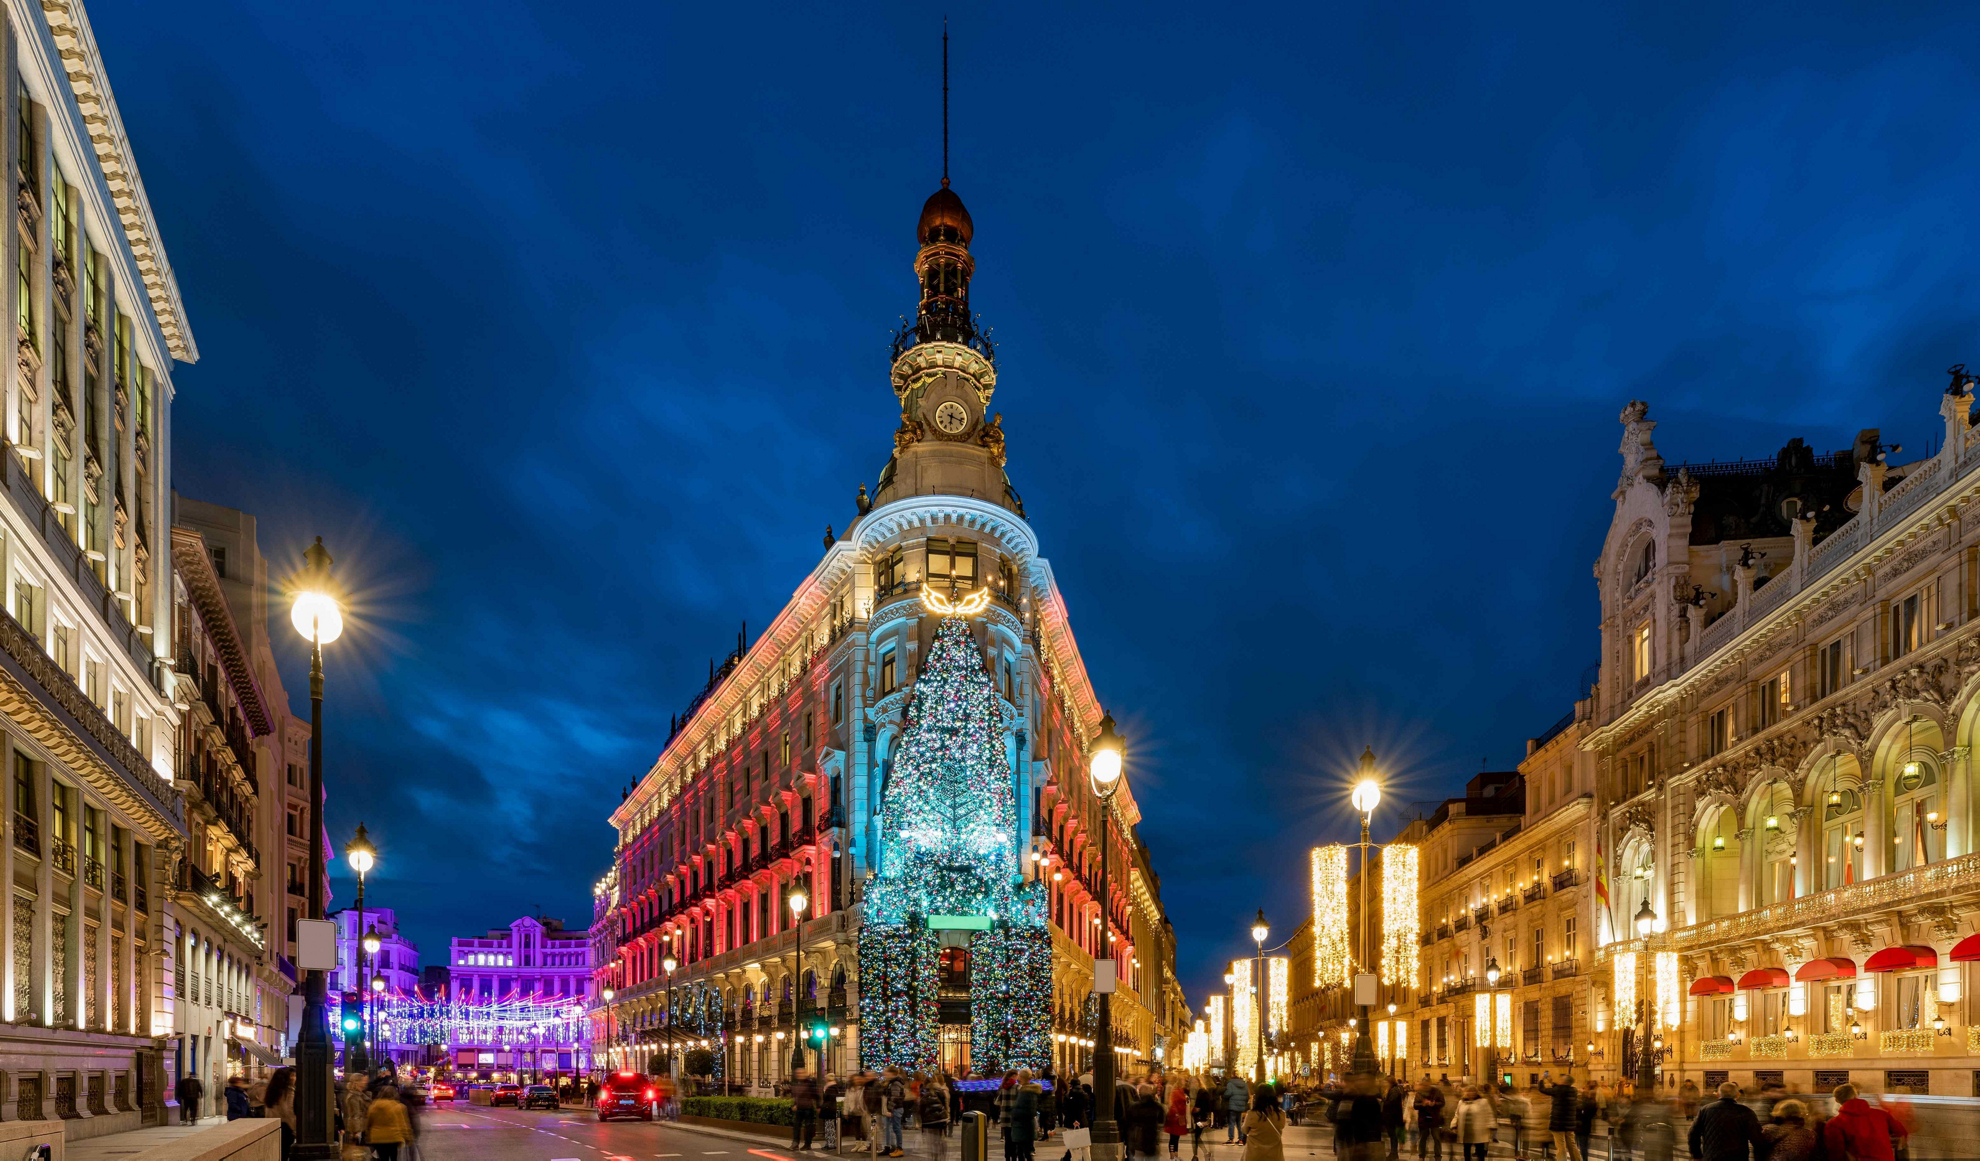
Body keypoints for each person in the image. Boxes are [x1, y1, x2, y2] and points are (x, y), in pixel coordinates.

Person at [1823, 1084, 1906, 1161]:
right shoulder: (1881, 1114)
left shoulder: (1835, 1124)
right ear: (1856, 1096)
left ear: (1837, 1100)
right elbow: (1901, 1132)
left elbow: (1836, 1154)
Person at [1687, 1083, 1766, 1161]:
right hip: (1738, 1157)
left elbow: (1693, 1134)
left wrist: (1696, 1155)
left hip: (1711, 1157)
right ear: (1738, 1095)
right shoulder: (1746, 1111)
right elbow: (1756, 1138)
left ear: (1718, 1095)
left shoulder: (1705, 1110)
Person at [1540, 1074, 1583, 1161]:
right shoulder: (1573, 1091)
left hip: (1558, 1122)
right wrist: (1552, 1082)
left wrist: (1541, 1080)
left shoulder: (1558, 1090)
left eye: (1561, 1079)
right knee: (1572, 1144)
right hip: (1570, 1122)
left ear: (1563, 1081)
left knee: (1561, 1145)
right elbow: (1560, 1089)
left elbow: (1543, 1090)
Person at [366, 1086, 411, 1161]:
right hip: (393, 1137)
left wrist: (368, 1135)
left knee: (383, 1158)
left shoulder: (373, 1106)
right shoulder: (399, 1107)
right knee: (393, 1157)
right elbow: (403, 1123)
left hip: (378, 1138)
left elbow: (369, 1123)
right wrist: (407, 1137)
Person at [1242, 1086, 1287, 1161]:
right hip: (1275, 1155)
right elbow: (1281, 1126)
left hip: (1254, 1154)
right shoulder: (1281, 1114)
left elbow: (1244, 1130)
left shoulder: (1252, 1114)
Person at [1125, 1084, 1166, 1161]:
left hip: (1138, 1141)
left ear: (1139, 1094)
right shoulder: (1157, 1107)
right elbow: (1161, 1122)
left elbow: (1128, 1123)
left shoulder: (1134, 1107)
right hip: (1152, 1140)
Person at [1454, 1087, 1496, 1161]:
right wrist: (1454, 1125)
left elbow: (1489, 1114)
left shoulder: (1483, 1102)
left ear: (1476, 1092)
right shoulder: (1461, 1102)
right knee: (1466, 1149)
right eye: (1468, 1091)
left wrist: (1491, 1125)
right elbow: (1457, 1115)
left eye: (1473, 1091)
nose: (1470, 1093)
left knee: (1480, 1150)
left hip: (1479, 1130)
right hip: (1465, 1131)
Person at [1014, 1072, 1046, 1161]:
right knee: (1024, 1150)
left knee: (1024, 1151)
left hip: (1023, 1123)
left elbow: (1023, 1108)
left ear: (1022, 1077)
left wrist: (1015, 1115)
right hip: (1025, 1123)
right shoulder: (1027, 1090)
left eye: (1019, 1075)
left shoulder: (1026, 1091)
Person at [790, 1067, 822, 1152]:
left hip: (808, 1108)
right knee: (796, 1126)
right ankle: (795, 1142)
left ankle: (807, 1144)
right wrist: (795, 1104)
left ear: (805, 1074)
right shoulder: (797, 1083)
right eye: (798, 1074)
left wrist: (818, 1106)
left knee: (808, 1127)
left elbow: (816, 1095)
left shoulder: (810, 1083)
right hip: (799, 1108)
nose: (799, 1075)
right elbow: (796, 1096)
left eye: (801, 1073)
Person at [1415, 1082, 1447, 1161]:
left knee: (1436, 1138)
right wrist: (1422, 1104)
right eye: (1424, 1085)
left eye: (1427, 1084)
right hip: (1423, 1119)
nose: (1425, 1086)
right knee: (1423, 1138)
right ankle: (1421, 1156)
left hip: (1435, 1118)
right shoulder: (1419, 1093)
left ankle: (1438, 1156)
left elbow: (1442, 1103)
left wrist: (1434, 1104)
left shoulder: (1437, 1092)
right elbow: (1415, 1105)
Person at [920, 1073, 951, 1151]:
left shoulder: (924, 1093)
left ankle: (934, 1153)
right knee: (940, 1136)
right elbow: (945, 1104)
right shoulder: (941, 1091)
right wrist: (947, 1114)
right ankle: (940, 1149)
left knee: (932, 1139)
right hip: (941, 1118)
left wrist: (922, 1123)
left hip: (930, 1120)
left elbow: (922, 1109)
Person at [1384, 1079, 1408, 1161]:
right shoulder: (1393, 1090)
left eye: (1386, 1082)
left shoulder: (1394, 1091)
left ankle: (1394, 1153)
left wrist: (1382, 1101)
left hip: (1393, 1117)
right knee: (1392, 1136)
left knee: (1393, 1136)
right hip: (1392, 1117)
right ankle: (1393, 1153)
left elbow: (1390, 1102)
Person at [1225, 1075, 1252, 1144]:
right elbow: (1247, 1096)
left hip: (1232, 1106)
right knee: (1239, 1123)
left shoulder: (1230, 1084)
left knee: (1231, 1123)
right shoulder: (1244, 1084)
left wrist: (1224, 1095)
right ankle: (1241, 1139)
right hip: (1241, 1107)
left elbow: (1228, 1094)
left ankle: (1231, 1139)